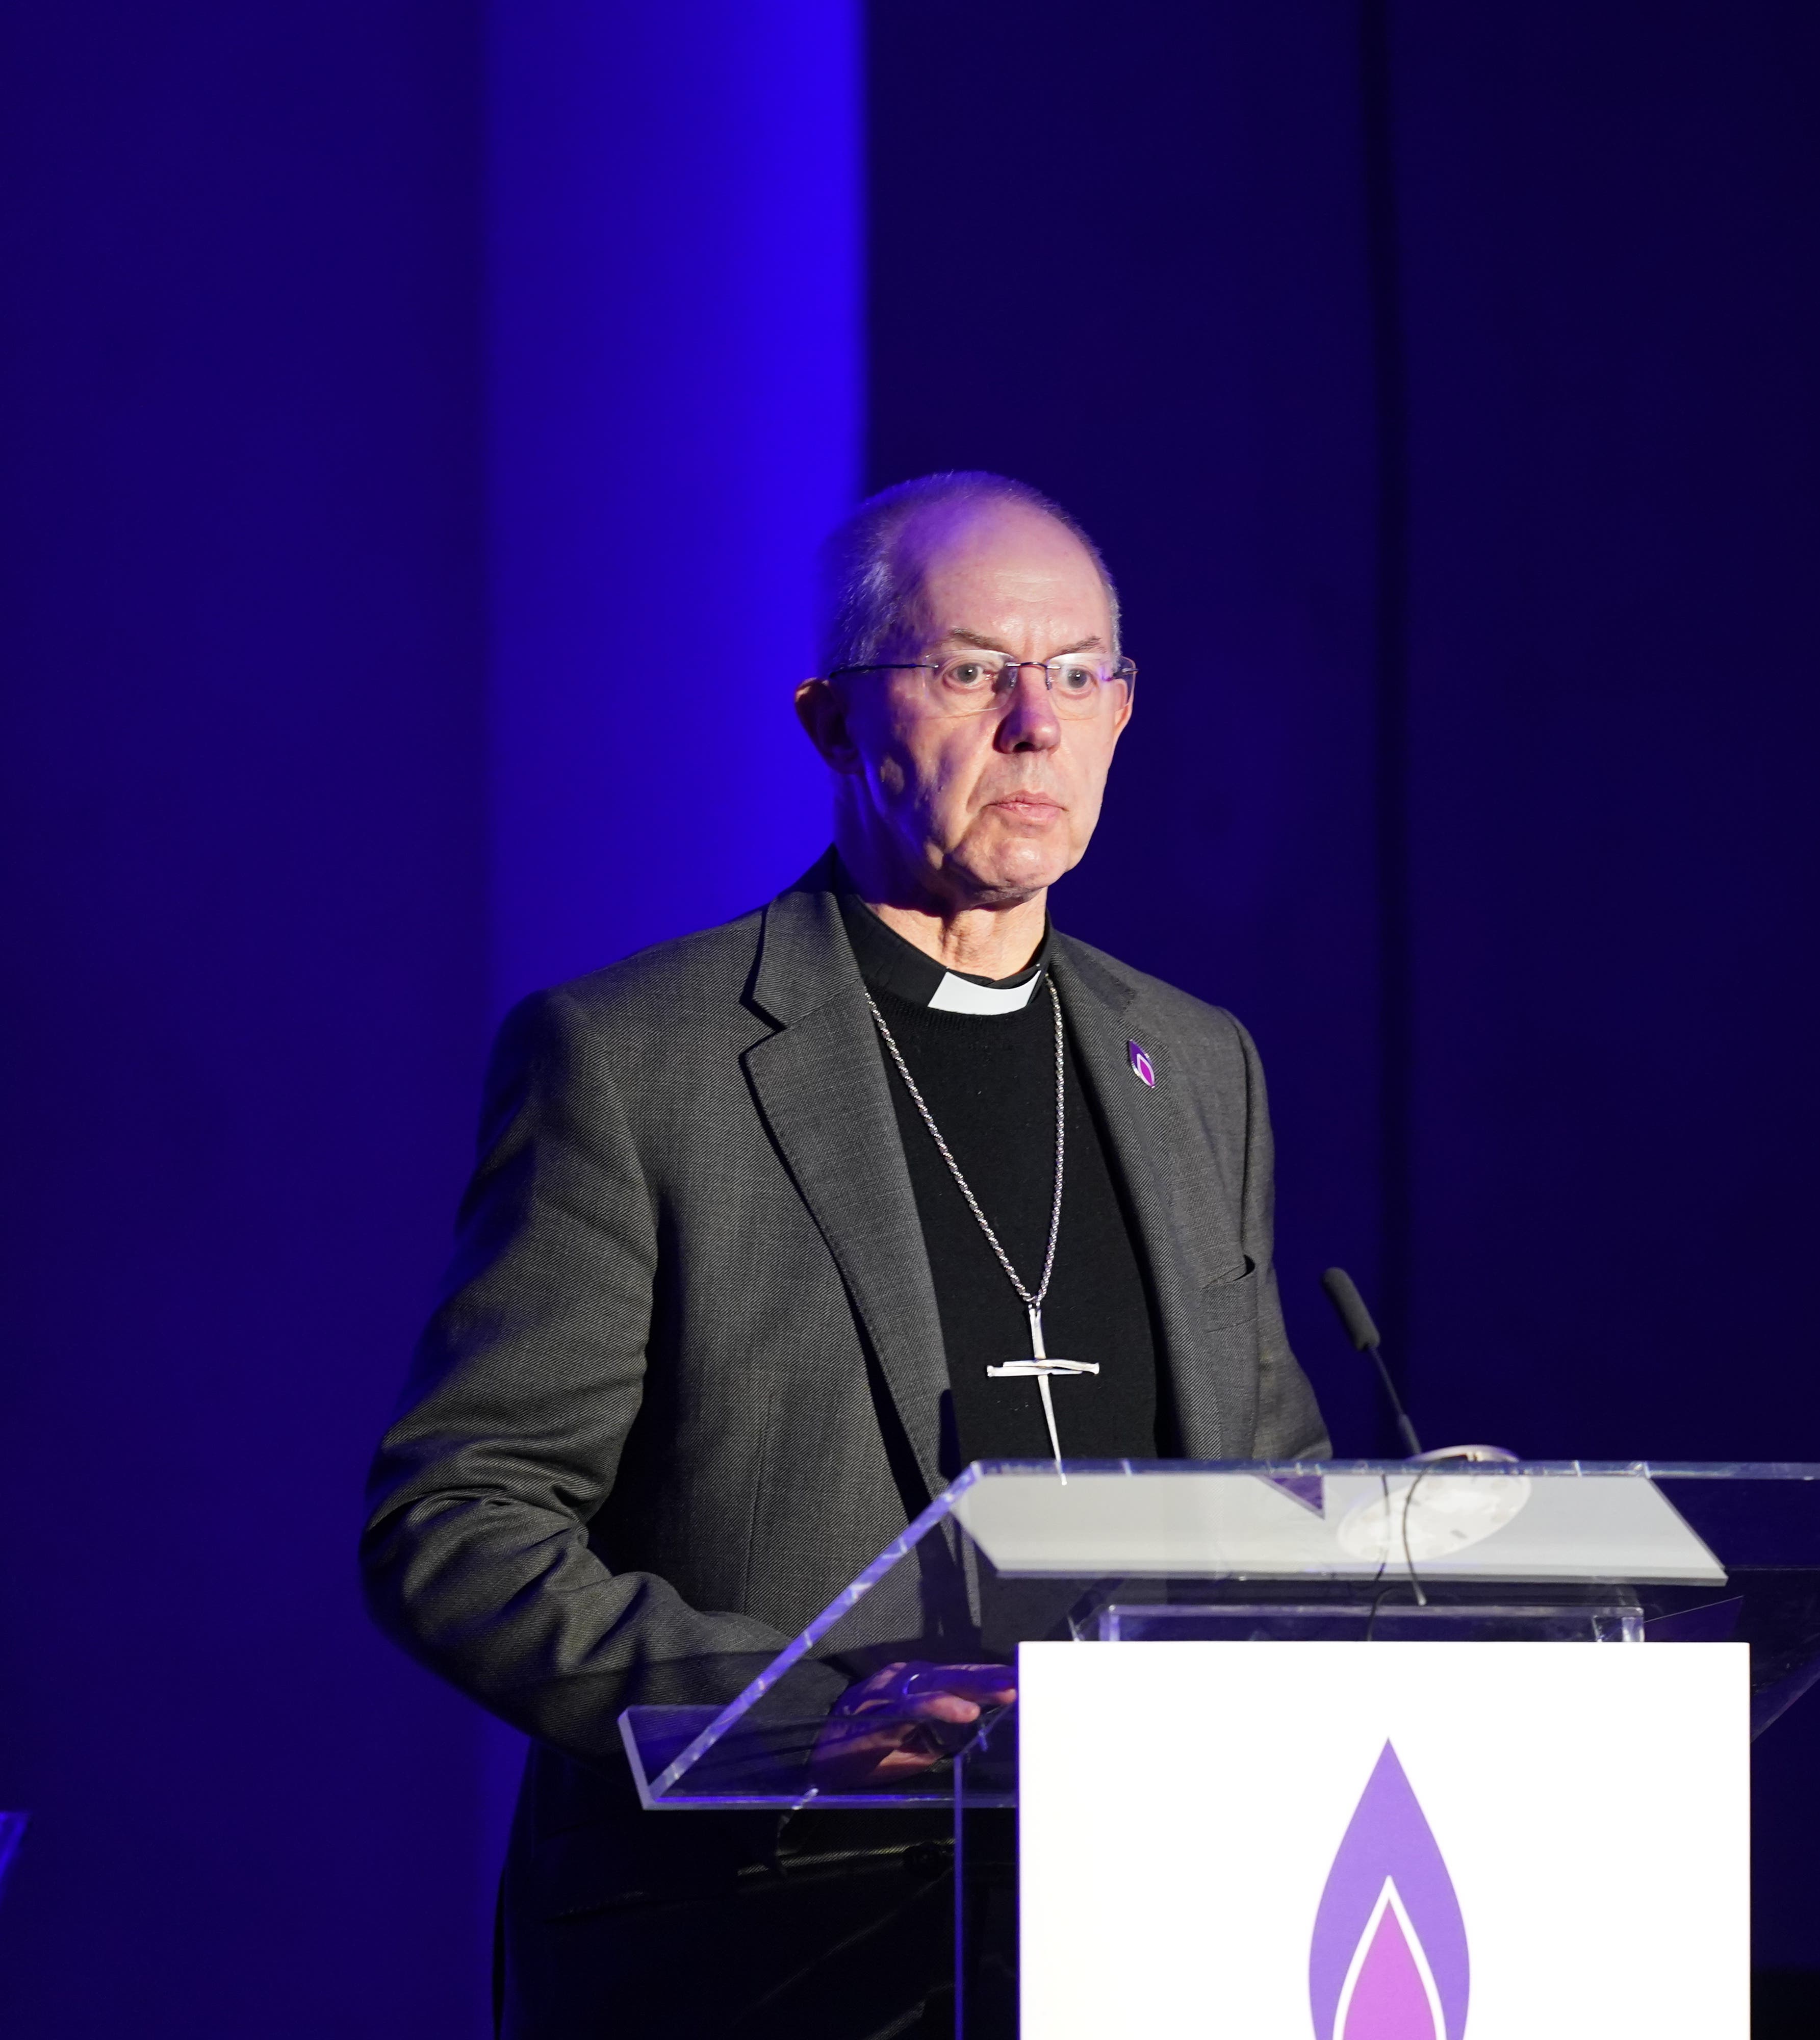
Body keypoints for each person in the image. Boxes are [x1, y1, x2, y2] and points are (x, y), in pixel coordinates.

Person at [363, 472, 1329, 2036]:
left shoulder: (1197, 1065)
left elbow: (1274, 1484)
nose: (1036, 725)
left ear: (1122, 717)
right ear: (830, 721)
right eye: (970, 671)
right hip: (764, 1940)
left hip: (1154, 1931)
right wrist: (798, 1714)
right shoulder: (634, 1059)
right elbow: (456, 1523)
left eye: (1079, 677)